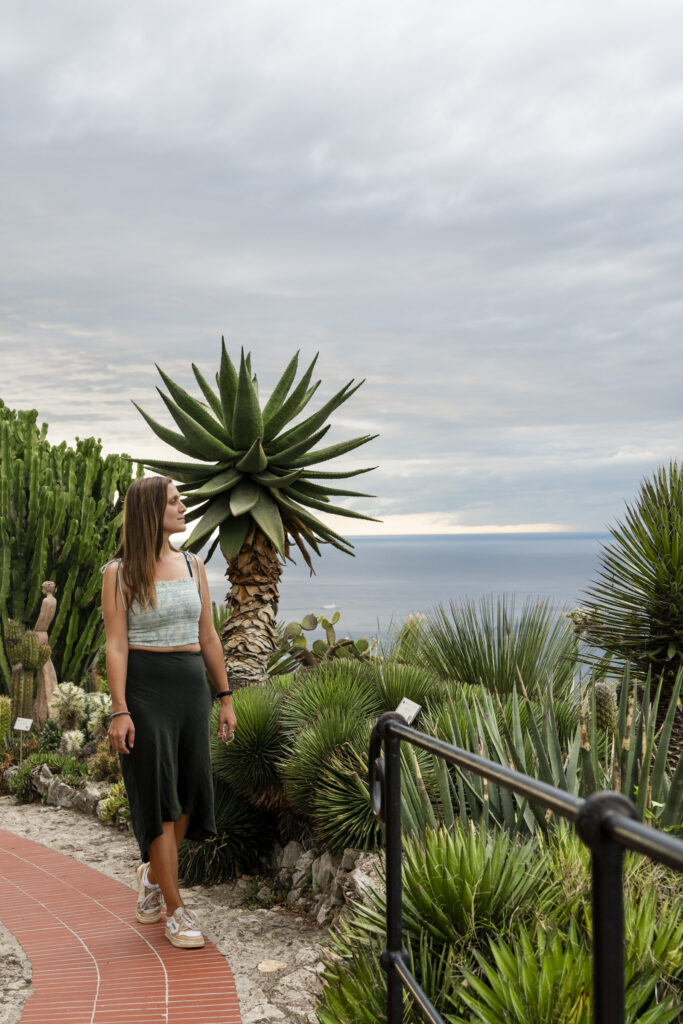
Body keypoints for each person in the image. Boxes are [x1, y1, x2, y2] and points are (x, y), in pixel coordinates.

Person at [101, 475, 236, 949]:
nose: (184, 508)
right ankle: (176, 910)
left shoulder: (195, 564)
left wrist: (225, 696)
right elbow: (115, 646)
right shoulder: (118, 572)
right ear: (149, 512)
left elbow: (209, 637)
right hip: (144, 689)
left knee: (191, 796)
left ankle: (153, 878)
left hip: (190, 687)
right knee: (159, 799)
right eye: (175, 502)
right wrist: (120, 710)